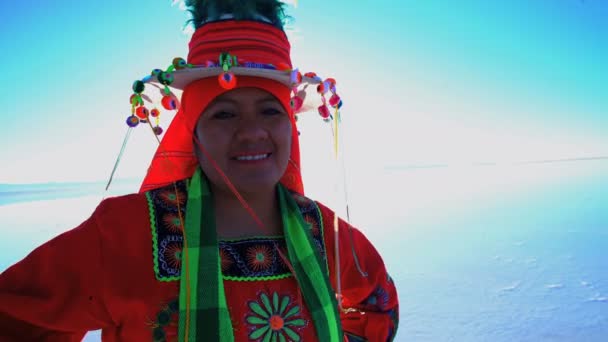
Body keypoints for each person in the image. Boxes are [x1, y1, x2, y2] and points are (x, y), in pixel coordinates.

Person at [0, 1, 399, 341]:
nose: (252, 132)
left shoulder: (327, 234)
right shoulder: (124, 234)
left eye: (270, 110)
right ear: (192, 133)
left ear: (290, 127)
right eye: (224, 113)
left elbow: (379, 304)